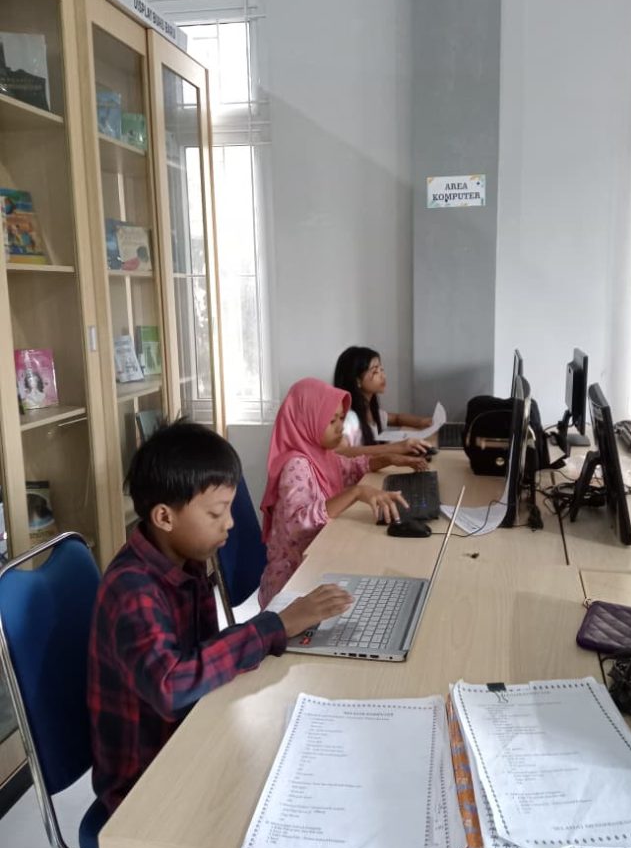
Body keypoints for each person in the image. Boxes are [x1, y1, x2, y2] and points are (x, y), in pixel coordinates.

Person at [87, 419, 353, 819]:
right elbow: (172, 685)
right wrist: (276, 626)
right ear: (164, 517)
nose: (229, 523)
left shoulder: (185, 559)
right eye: (217, 513)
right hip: (146, 781)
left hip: (192, 731)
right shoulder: (133, 590)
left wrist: (278, 631)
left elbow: (202, 654)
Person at [259, 377, 407, 607]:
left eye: (341, 418)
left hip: (317, 560)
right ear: (308, 421)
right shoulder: (296, 464)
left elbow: (351, 467)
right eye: (331, 421)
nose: (340, 427)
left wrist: (388, 458)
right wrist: (356, 493)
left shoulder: (321, 454)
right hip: (293, 582)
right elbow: (298, 523)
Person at [333, 346, 432, 457]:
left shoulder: (371, 411)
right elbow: (339, 451)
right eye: (375, 371)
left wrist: (423, 422)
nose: (383, 376)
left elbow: (396, 418)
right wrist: (396, 448)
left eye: (382, 370)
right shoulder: (350, 419)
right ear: (357, 381)